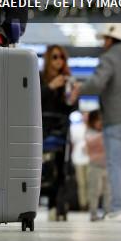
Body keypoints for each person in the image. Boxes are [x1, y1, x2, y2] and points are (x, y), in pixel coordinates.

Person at [69, 23, 121, 222]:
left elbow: (98, 82)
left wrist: (80, 89)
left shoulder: (109, 58)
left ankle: (117, 209)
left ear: (112, 39)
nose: (103, 43)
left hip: (115, 118)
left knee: (115, 164)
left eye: (105, 39)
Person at [40, 45, 76, 219]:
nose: (58, 61)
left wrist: (73, 97)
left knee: (60, 168)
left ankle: (56, 204)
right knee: (40, 168)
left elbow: (71, 108)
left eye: (61, 57)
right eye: (54, 57)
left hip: (61, 129)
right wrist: (51, 86)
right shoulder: (39, 78)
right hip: (42, 128)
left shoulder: (67, 80)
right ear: (48, 59)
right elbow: (34, 99)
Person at [85, 110, 110, 222]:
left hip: (108, 166)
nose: (100, 122)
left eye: (102, 120)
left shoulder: (107, 132)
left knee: (108, 192)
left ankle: (107, 213)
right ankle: (93, 213)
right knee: (94, 191)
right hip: (94, 166)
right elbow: (90, 143)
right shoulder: (89, 132)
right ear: (92, 121)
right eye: (98, 120)